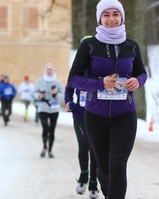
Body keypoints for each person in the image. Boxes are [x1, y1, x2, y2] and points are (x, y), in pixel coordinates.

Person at [67, 0, 147, 199]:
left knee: (118, 165)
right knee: (103, 170)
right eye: (106, 14)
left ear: (122, 17)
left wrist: (137, 82)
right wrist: (99, 84)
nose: (111, 19)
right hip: (95, 115)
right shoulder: (89, 46)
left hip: (125, 115)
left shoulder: (132, 46)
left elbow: (142, 73)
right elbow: (73, 79)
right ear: (99, 19)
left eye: (115, 14)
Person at [65, 36, 99, 199]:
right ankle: (84, 174)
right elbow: (68, 88)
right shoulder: (78, 69)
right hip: (79, 114)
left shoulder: (99, 68)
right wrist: (69, 102)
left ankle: (93, 182)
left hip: (97, 114)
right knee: (84, 144)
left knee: (95, 149)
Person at [34, 63, 64, 158]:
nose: (49, 71)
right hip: (43, 106)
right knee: (45, 128)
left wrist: (55, 94)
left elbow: (63, 96)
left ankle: (50, 150)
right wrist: (39, 95)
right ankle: (44, 147)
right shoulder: (40, 81)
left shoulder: (58, 82)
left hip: (54, 108)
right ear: (45, 70)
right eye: (48, 69)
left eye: (51, 69)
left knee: (52, 130)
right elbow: (34, 93)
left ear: (53, 70)